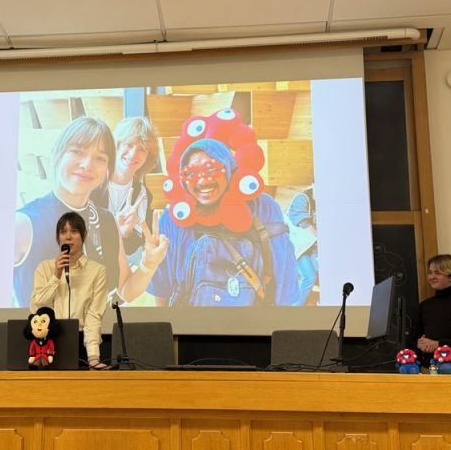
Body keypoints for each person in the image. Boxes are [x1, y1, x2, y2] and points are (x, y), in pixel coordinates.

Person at [148, 109, 299, 306]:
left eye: (212, 169)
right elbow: (162, 289)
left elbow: (285, 276)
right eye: (191, 173)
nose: (202, 180)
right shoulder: (172, 220)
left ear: (230, 168)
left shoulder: (264, 207)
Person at [13, 115, 167, 308]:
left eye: (100, 158)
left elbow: (125, 290)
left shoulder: (107, 220)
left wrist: (149, 265)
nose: (87, 164)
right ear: (57, 153)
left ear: (107, 168)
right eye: (77, 151)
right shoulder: (23, 224)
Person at [31, 211, 109, 367]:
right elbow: (38, 305)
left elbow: (94, 315)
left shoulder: (97, 271)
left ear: (84, 235)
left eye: (74, 231)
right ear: (58, 238)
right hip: (47, 345)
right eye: (63, 232)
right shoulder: (44, 268)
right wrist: (56, 275)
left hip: (81, 343)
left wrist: (93, 358)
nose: (68, 237)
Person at [94, 116, 158, 267]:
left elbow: (132, 248)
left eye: (142, 149)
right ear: (115, 146)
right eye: (128, 145)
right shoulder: (93, 181)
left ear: (148, 157)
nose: (134, 154)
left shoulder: (142, 194)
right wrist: (112, 230)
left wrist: (125, 234)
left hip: (116, 268)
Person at [285, 185, 319, 305]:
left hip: (309, 247)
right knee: (309, 277)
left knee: (318, 271)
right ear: (313, 185)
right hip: (296, 246)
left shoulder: (321, 202)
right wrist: (319, 236)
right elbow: (302, 221)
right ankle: (296, 307)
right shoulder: (302, 198)